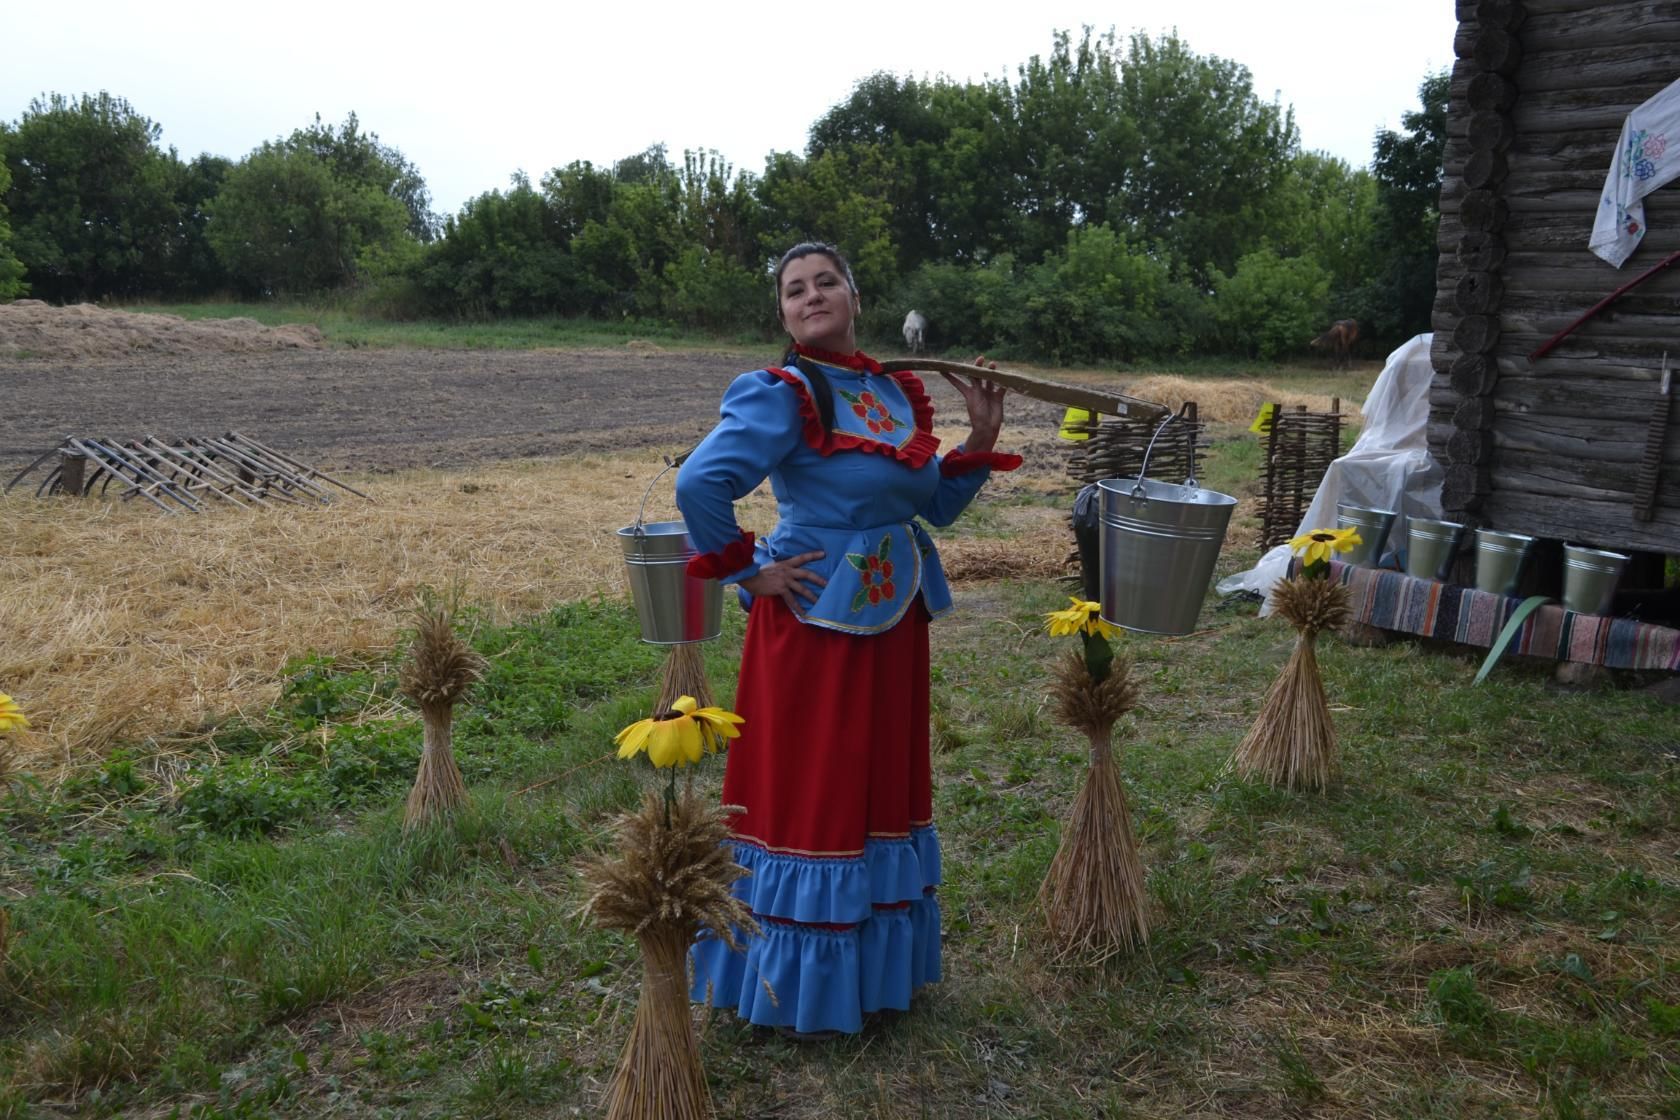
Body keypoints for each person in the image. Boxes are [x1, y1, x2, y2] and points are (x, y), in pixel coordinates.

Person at [674, 242, 1019, 1036]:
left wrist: (977, 439)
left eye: (826, 281)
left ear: (856, 297)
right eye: (795, 290)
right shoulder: (784, 392)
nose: (811, 295)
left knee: (874, 779)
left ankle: (865, 970)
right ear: (784, 315)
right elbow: (701, 483)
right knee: (816, 783)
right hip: (814, 628)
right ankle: (789, 984)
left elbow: (933, 506)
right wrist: (747, 570)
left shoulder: (892, 392)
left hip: (894, 621)